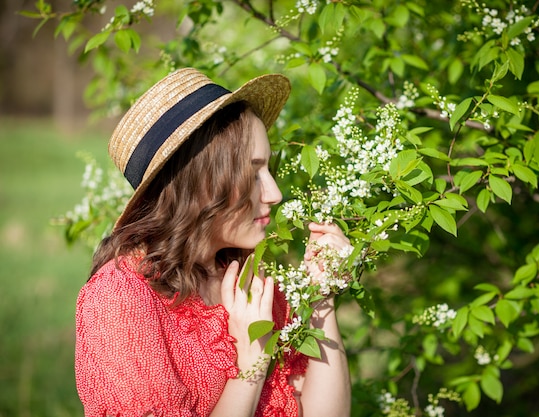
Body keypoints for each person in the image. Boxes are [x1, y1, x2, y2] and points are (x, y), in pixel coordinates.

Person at [75, 68, 351, 417]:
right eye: (252, 174)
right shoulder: (120, 300)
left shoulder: (249, 277)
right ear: (199, 182)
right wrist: (251, 360)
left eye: (269, 170)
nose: (275, 193)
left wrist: (321, 298)